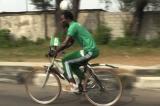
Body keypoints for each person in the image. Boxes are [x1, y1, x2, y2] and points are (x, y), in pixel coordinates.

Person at [54, 11, 99, 92]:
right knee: (73, 65)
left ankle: (73, 86)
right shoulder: (75, 25)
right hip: (91, 49)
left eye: (62, 19)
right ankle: (85, 80)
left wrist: (55, 51)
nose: (61, 21)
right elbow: (70, 42)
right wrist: (61, 50)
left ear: (67, 19)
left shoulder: (72, 27)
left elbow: (65, 42)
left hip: (89, 51)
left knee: (65, 61)